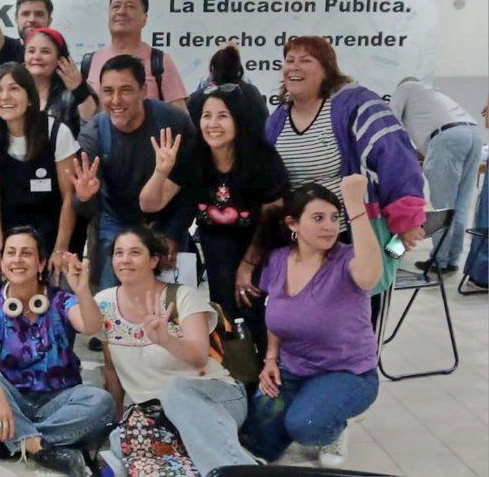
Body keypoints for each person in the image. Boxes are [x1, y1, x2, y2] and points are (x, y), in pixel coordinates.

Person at [265, 36, 425, 324]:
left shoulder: (356, 105)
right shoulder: (277, 120)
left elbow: (394, 155)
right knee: (305, 321)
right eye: (289, 60)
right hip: (300, 241)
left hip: (351, 235)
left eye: (305, 60)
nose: (294, 67)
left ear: (327, 69)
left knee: (356, 319)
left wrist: (406, 221)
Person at [244, 177, 384, 468]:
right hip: (293, 369)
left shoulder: (348, 260)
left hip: (348, 372)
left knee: (306, 426)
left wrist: (354, 205)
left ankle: (335, 428)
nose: (329, 226)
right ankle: (310, 404)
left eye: (334, 218)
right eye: (318, 218)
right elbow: (276, 316)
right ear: (292, 224)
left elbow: (370, 276)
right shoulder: (278, 259)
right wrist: (270, 359)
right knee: (258, 444)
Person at [0, 226, 113, 477]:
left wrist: (82, 290)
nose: (17, 259)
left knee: (102, 402)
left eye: (26, 253)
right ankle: (40, 448)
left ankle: (10, 442)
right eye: (11, 253)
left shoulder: (61, 300)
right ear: (2, 262)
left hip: (60, 400)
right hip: (10, 400)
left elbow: (91, 326)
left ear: (41, 264)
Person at [98, 225, 257, 475]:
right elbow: (111, 368)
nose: (125, 260)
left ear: (154, 260)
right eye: (119, 253)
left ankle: (238, 470)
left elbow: (199, 357)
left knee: (176, 391)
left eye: (135, 253)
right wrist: (117, 419)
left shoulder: (183, 297)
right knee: (122, 438)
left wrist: (165, 339)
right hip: (157, 413)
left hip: (213, 397)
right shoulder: (104, 303)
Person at [140, 84, 287, 339]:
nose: (212, 124)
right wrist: (160, 172)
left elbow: (271, 221)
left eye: (222, 116)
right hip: (216, 243)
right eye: (206, 116)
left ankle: (267, 358)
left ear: (239, 119)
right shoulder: (194, 154)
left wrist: (247, 266)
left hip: (260, 243)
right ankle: (233, 357)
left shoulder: (263, 158)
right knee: (225, 313)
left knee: (256, 312)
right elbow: (149, 204)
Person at [70, 54, 197, 290]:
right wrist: (85, 197)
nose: (115, 100)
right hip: (115, 220)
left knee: (173, 301)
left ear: (143, 90)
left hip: (165, 221)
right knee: (108, 298)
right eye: (108, 91)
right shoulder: (93, 135)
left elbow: (191, 185)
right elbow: (84, 208)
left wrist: (174, 232)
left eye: (125, 90)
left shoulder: (174, 123)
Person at [0, 63, 79, 278]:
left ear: (31, 97)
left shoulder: (56, 131)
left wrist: (60, 249)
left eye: (14, 88)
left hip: (54, 236)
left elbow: (69, 197)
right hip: (12, 239)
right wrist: (2, 250)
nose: (4, 97)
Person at [390, 76, 483, 273]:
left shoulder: (406, 87)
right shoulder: (431, 96)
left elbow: (390, 121)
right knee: (461, 204)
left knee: (443, 206)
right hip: (474, 134)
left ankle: (439, 261)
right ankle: (452, 259)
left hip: (446, 138)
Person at [82, 0, 187, 110]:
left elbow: (180, 115)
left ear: (144, 18)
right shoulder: (90, 61)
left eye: (130, 7)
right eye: (116, 6)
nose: (121, 11)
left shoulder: (160, 61)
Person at [24, 27, 97, 136]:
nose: (37, 57)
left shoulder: (75, 90)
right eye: (31, 51)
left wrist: (79, 90)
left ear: (61, 59)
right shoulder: (16, 89)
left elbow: (93, 125)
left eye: (45, 51)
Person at [187, 43, 269, 134]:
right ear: (238, 68)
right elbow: (266, 126)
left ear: (212, 68)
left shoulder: (196, 98)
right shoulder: (252, 93)